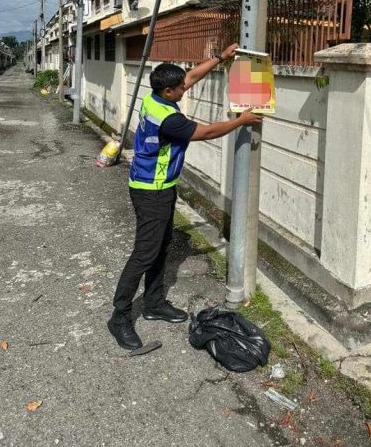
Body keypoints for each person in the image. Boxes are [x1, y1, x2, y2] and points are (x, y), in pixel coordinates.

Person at [107, 43, 262, 350]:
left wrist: (220, 58)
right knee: (144, 254)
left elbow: (189, 77)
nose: (184, 90)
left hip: (160, 187)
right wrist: (240, 121)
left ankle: (153, 304)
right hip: (151, 190)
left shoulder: (155, 97)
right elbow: (204, 133)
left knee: (162, 247)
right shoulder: (168, 118)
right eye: (179, 89)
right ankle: (120, 316)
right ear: (167, 92)